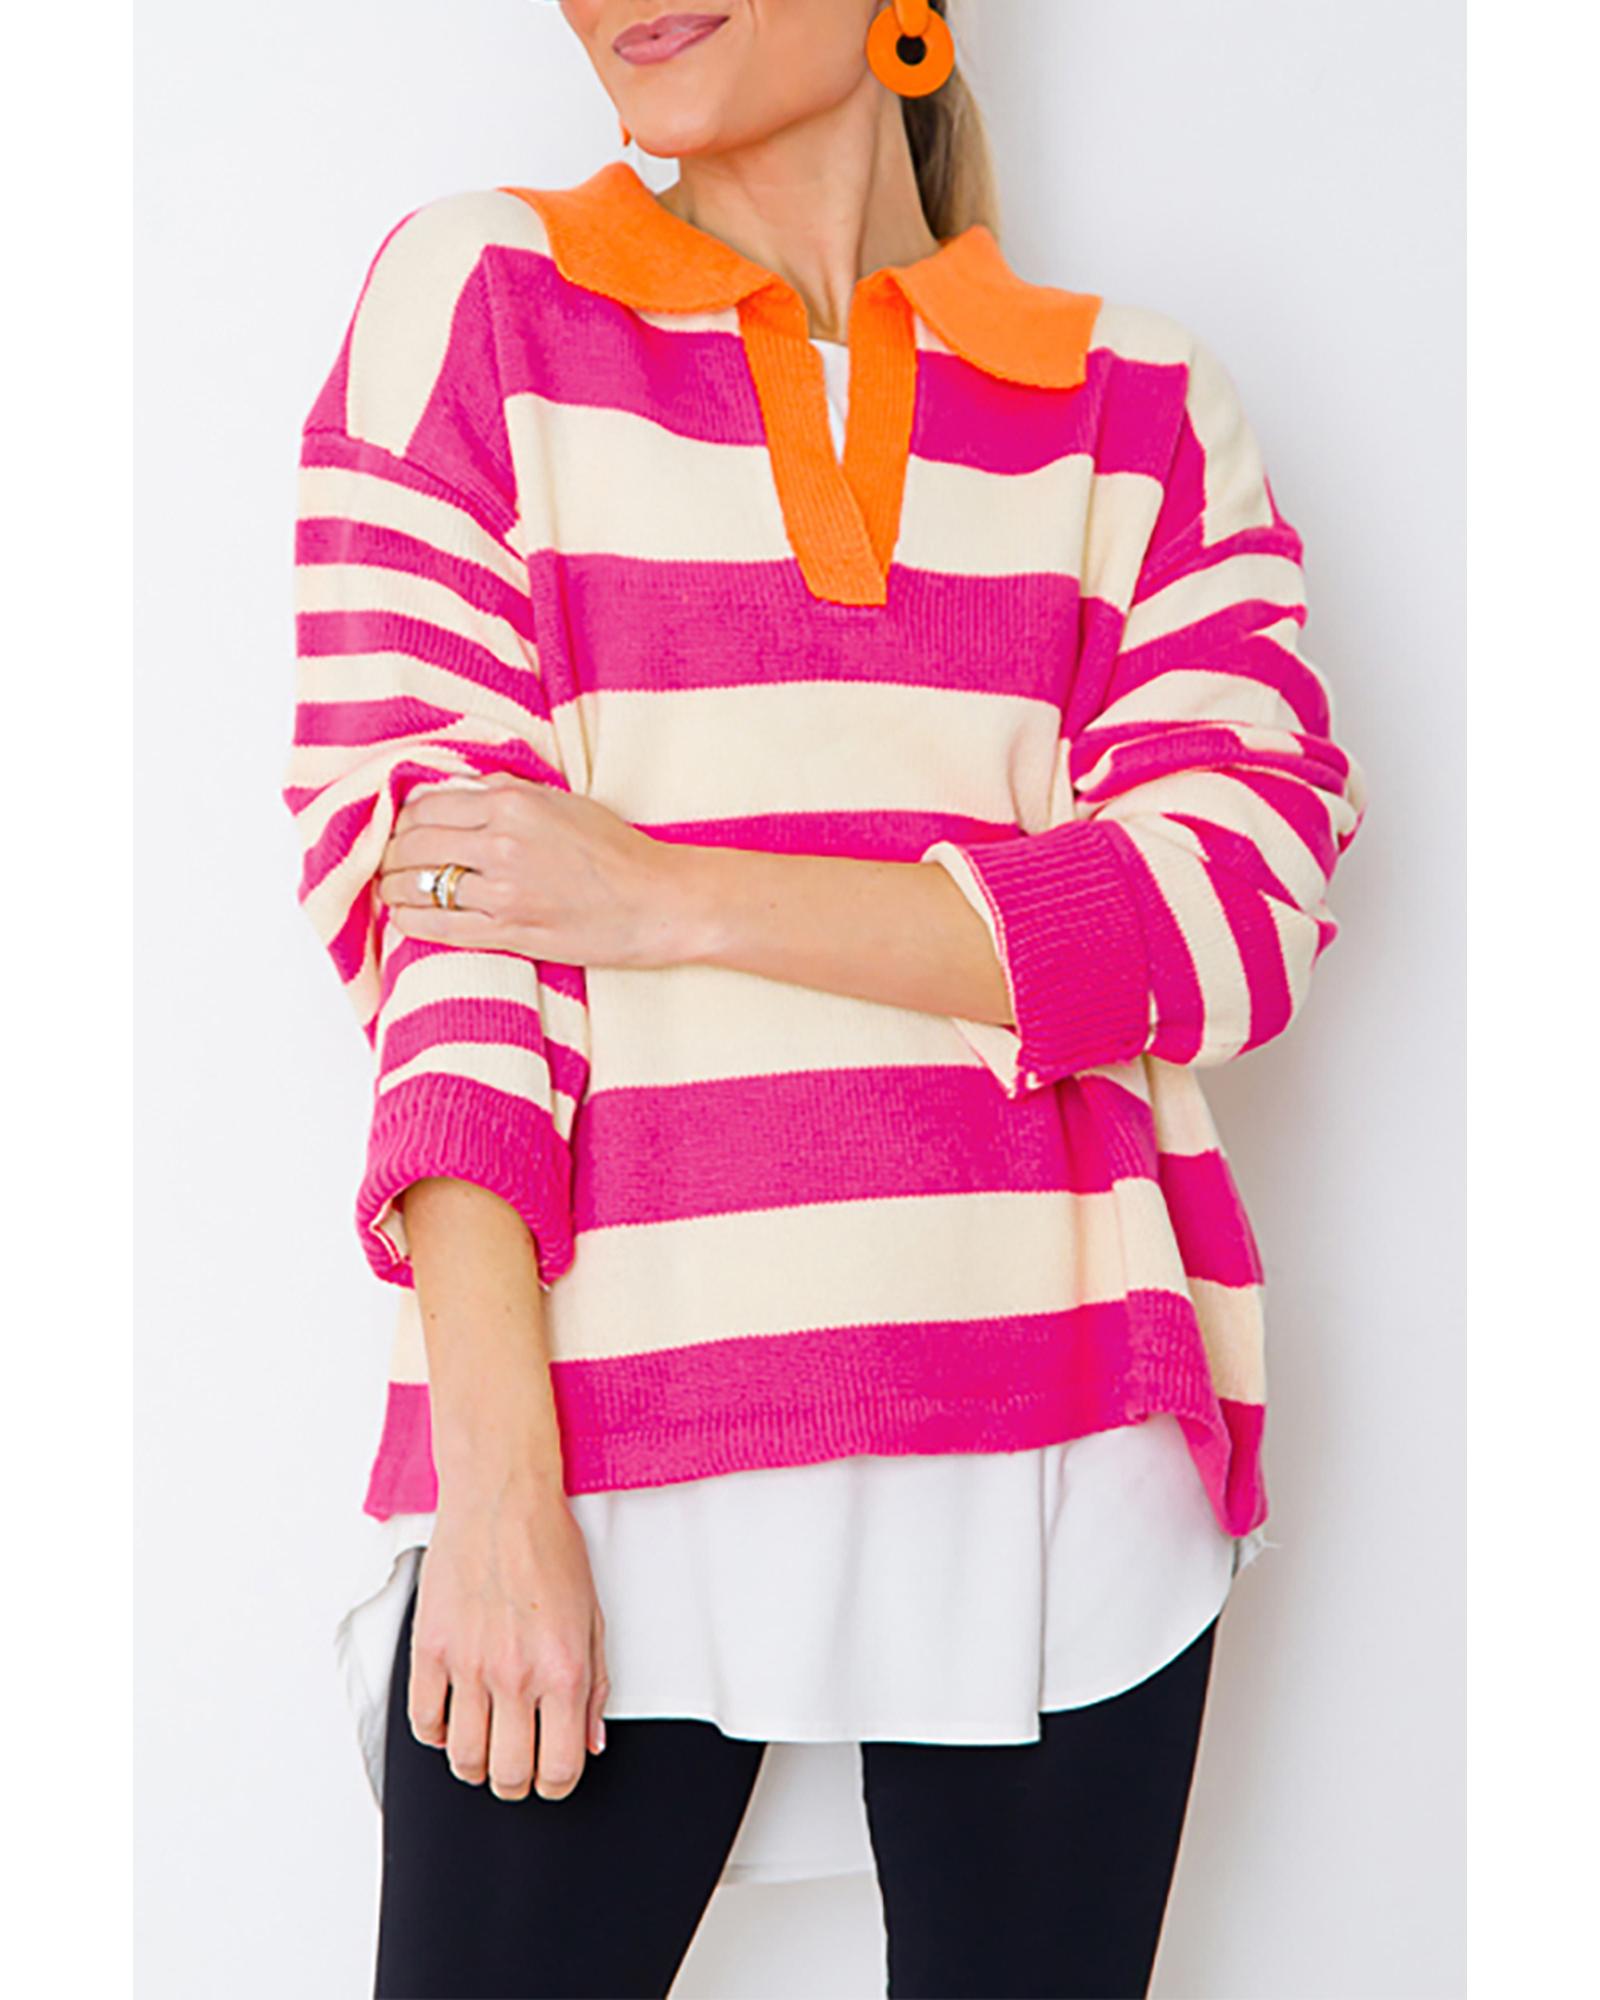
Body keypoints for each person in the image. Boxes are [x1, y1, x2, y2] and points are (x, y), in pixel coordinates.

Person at [282, 4, 1368, 1995]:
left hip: (1060, 1436)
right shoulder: (480, 307)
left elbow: (1236, 902)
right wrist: (497, 1491)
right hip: (607, 1426)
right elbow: (444, 936)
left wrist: (675, 898)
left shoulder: (1130, 405)